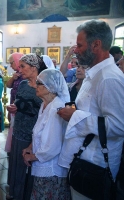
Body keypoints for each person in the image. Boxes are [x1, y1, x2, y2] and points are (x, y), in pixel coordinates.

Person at [57, 19, 124, 199]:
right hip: (82, 159)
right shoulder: (94, 73)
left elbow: (119, 126)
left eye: (80, 45)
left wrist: (75, 116)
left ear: (96, 45)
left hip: (95, 164)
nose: (75, 50)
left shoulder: (109, 78)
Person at [23, 69, 71, 200]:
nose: (35, 85)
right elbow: (39, 131)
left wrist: (32, 157)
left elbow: (53, 146)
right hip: (41, 165)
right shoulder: (45, 104)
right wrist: (30, 147)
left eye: (39, 83)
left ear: (50, 87)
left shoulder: (57, 108)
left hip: (51, 170)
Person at [6, 53, 47, 200]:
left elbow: (43, 111)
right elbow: (18, 103)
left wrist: (24, 108)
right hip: (19, 129)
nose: (19, 69)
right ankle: (16, 194)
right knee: (17, 165)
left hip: (32, 134)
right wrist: (14, 107)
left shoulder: (44, 86)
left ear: (34, 67)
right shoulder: (23, 84)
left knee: (28, 169)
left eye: (23, 66)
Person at [5, 52, 24, 152]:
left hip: (21, 107)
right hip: (13, 104)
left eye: (11, 63)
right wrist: (13, 78)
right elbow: (8, 85)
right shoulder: (17, 74)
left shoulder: (25, 74)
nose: (10, 65)